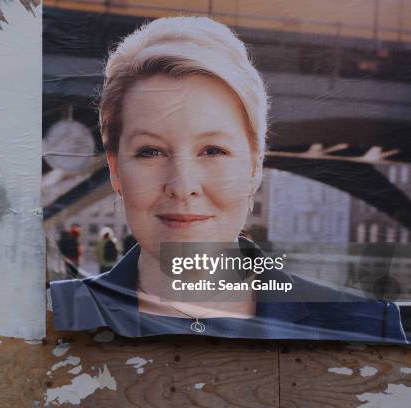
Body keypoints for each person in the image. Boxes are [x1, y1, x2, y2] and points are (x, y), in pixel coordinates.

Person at [50, 16, 407, 343]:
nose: (183, 185)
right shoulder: (44, 320)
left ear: (254, 167)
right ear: (115, 171)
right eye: (150, 151)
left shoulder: (367, 328)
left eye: (213, 151)